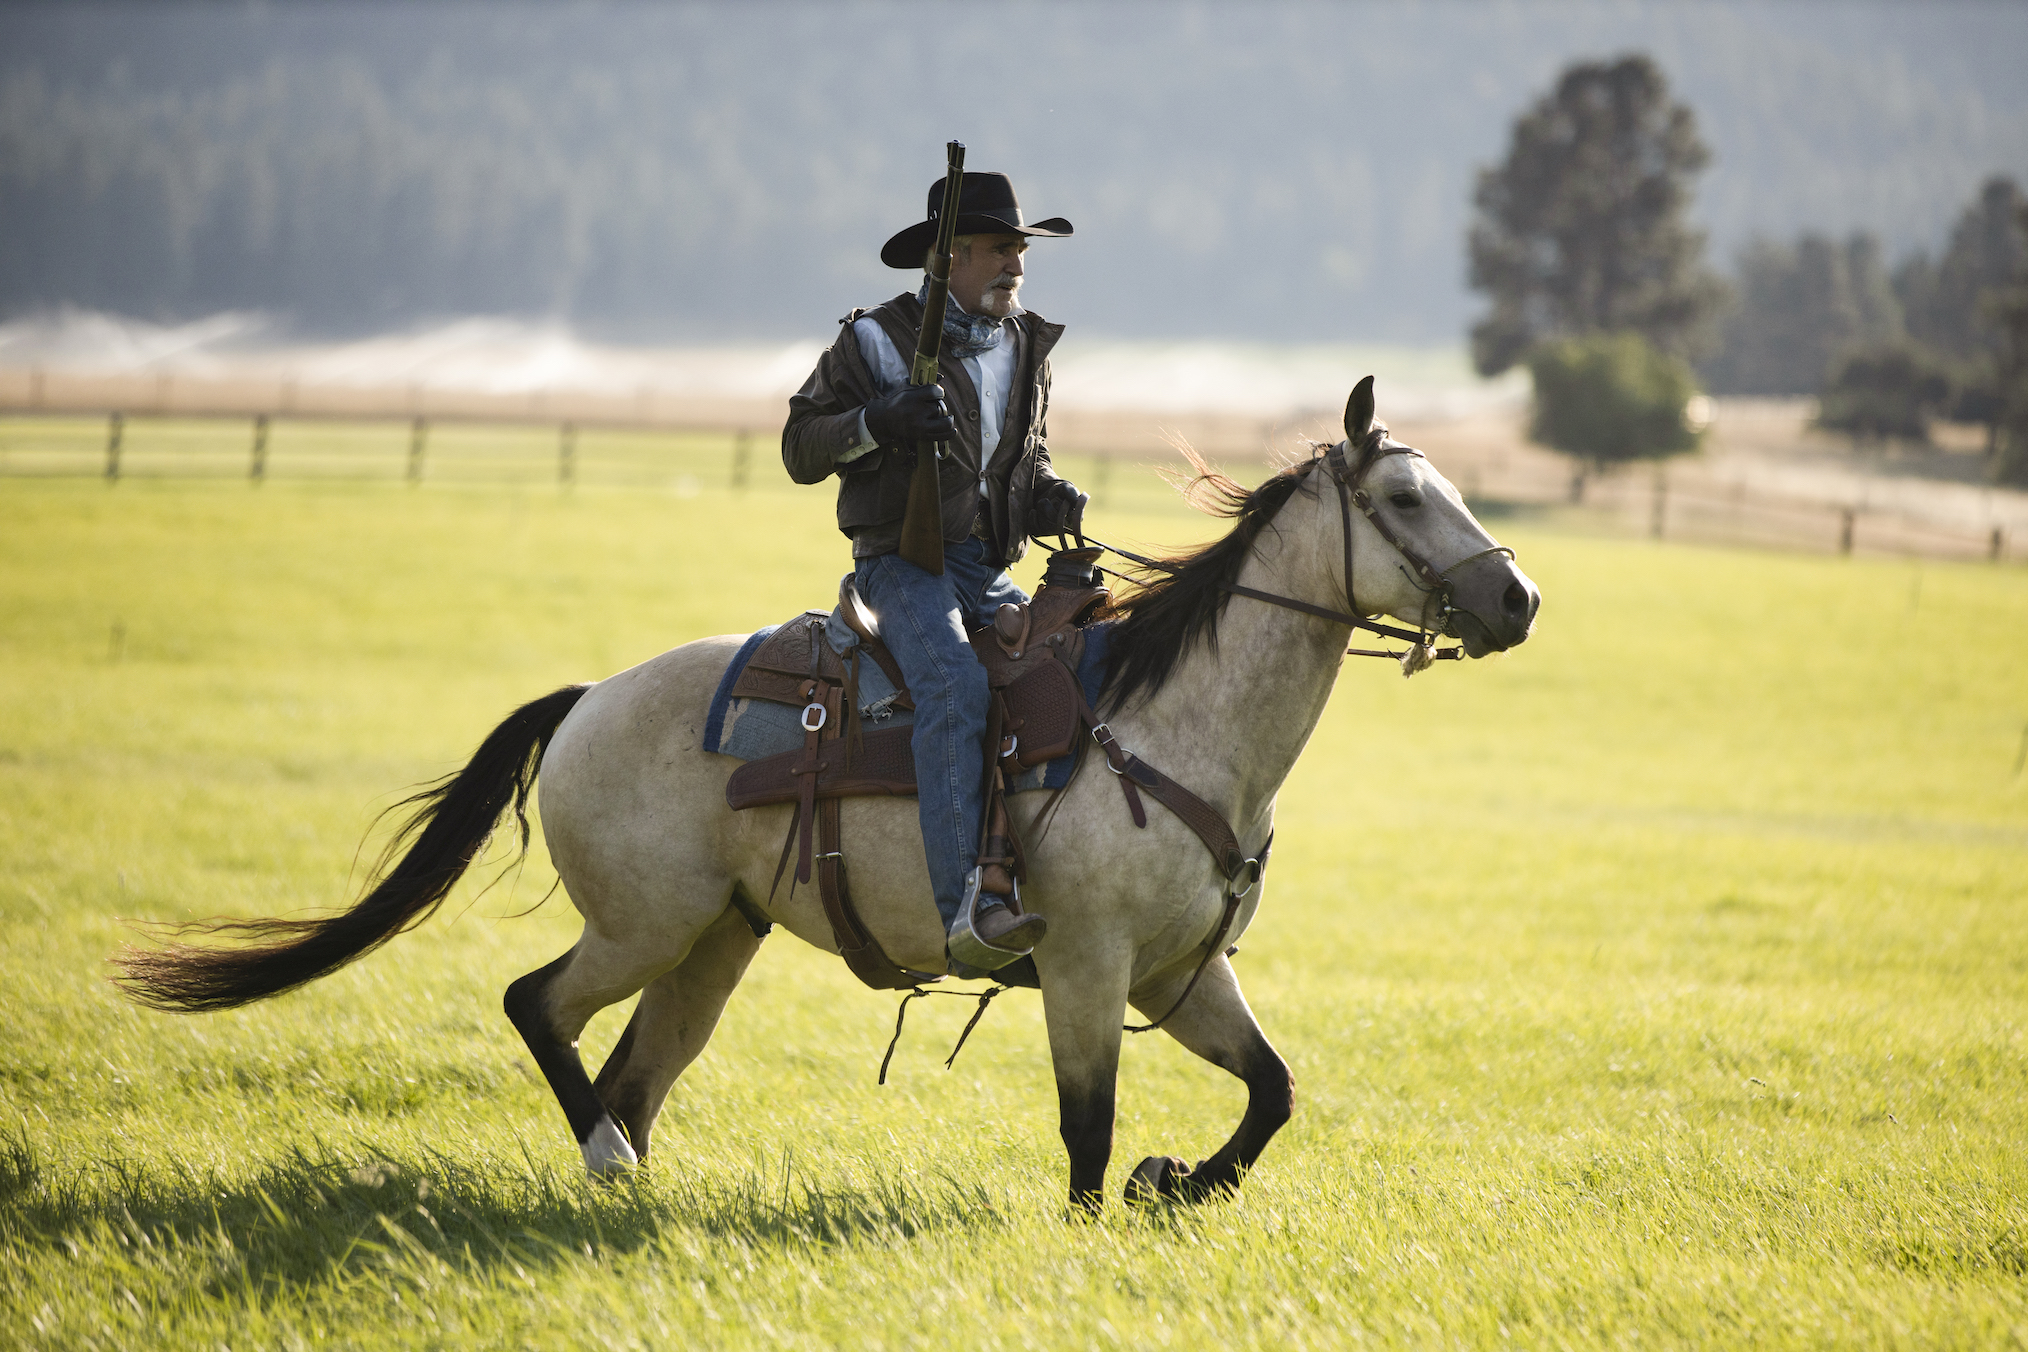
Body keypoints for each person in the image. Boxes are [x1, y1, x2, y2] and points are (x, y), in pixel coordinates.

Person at [782, 170, 1088, 972]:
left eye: (1020, 250)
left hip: (985, 569)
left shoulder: (1024, 344)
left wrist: (1048, 497)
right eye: (997, 249)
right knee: (954, 685)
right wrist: (876, 422)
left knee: (1076, 664)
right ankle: (968, 907)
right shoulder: (874, 341)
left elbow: (1024, 457)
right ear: (948, 256)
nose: (1015, 266)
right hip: (900, 568)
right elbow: (801, 447)